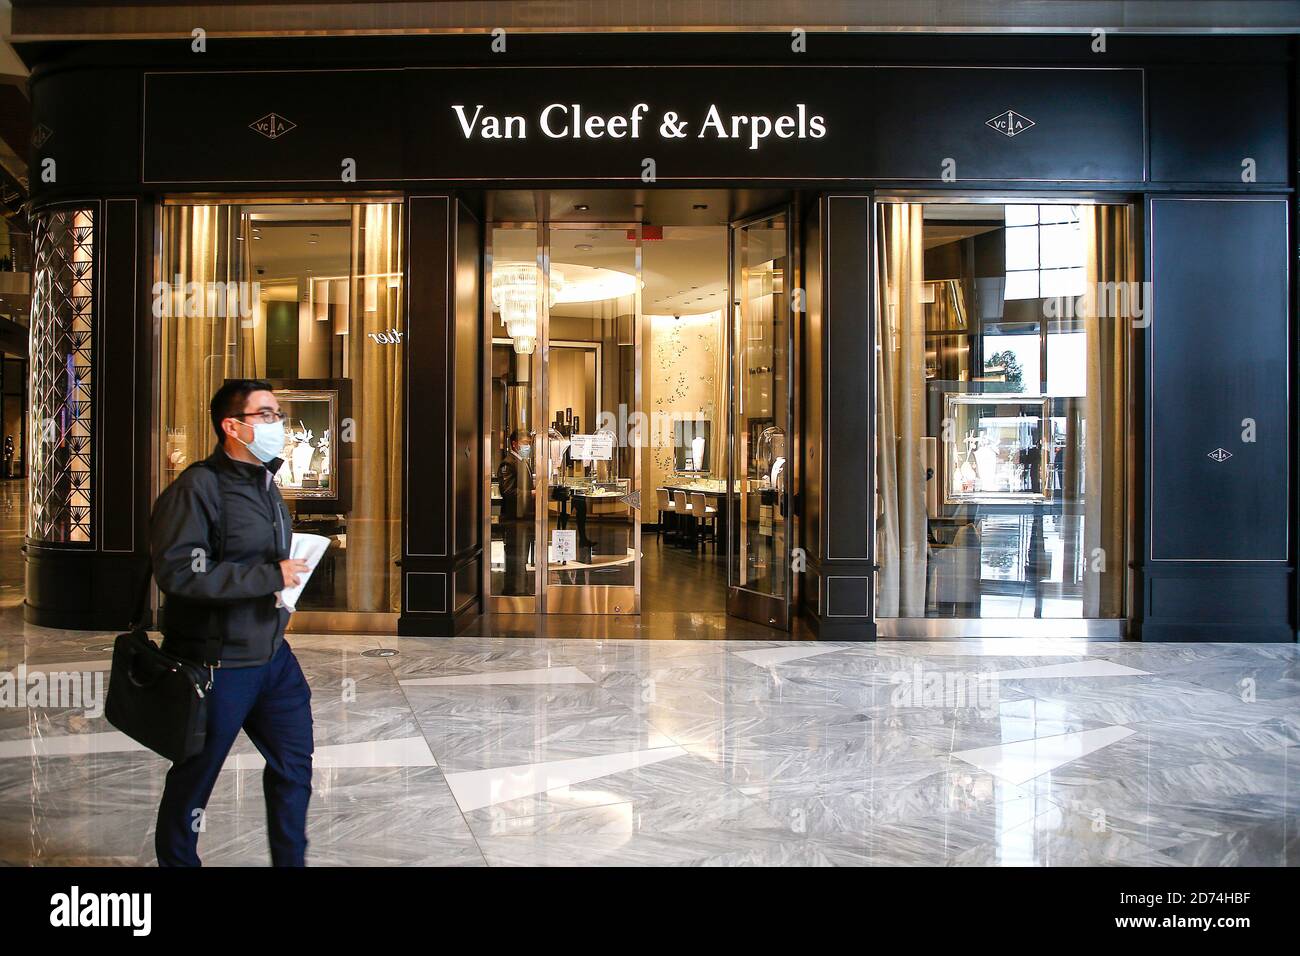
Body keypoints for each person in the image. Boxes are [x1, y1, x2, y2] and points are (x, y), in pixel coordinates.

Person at [150, 379, 314, 867]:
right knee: (195, 779)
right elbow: (180, 571)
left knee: (294, 768)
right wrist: (269, 576)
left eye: (278, 414)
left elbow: (263, 559)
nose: (277, 424)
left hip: (272, 657)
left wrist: (284, 589)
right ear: (232, 426)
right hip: (219, 663)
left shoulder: (266, 482)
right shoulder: (198, 487)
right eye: (266, 414)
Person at [497, 429, 534, 595]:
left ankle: (522, 590)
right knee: (514, 557)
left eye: (529, 444)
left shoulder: (524, 461)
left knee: (522, 557)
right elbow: (508, 492)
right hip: (513, 519)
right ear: (514, 444)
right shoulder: (508, 463)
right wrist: (531, 493)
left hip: (525, 518)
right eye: (525, 443)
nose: (528, 447)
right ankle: (513, 592)